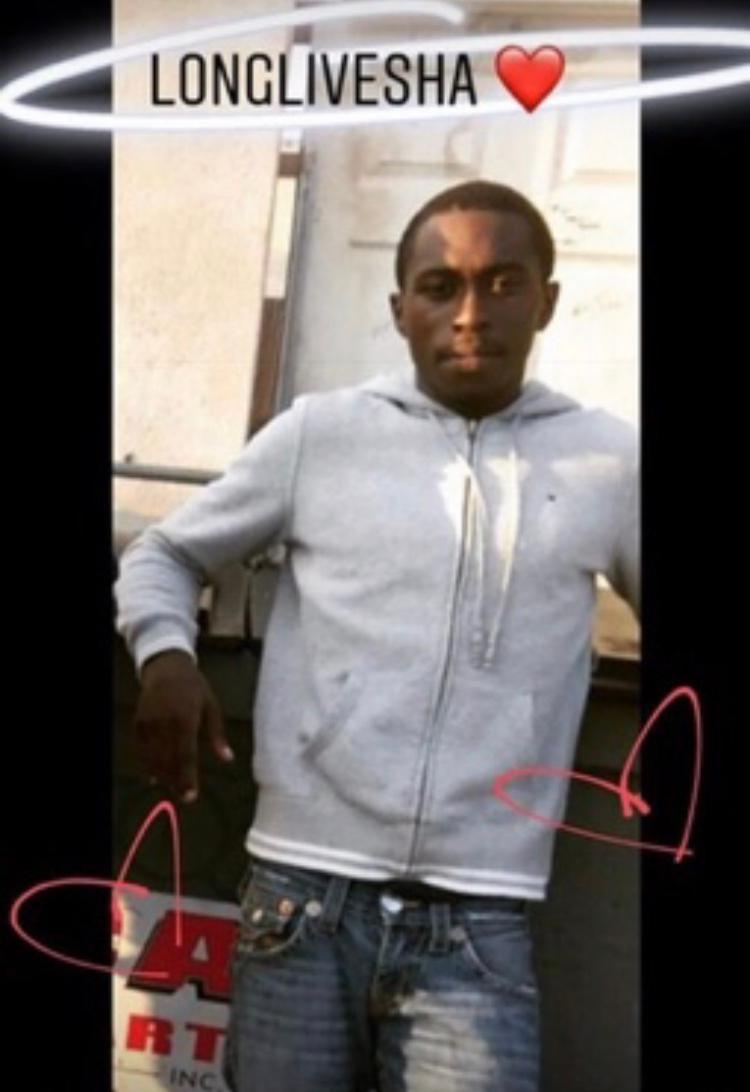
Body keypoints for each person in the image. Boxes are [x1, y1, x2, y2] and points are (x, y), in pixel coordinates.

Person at [115, 180, 639, 1092]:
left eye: (503, 283)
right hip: (297, 901)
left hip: (481, 920)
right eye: (441, 287)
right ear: (400, 311)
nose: (470, 313)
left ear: (547, 300)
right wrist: (164, 656)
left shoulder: (607, 460)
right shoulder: (321, 434)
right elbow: (165, 552)